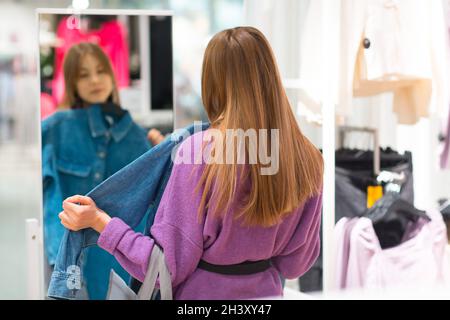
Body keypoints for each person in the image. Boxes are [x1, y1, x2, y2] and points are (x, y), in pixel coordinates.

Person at [58, 27, 323, 300]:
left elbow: (164, 269)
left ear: (213, 82)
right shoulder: (308, 159)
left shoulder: (197, 153)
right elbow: (295, 264)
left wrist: (102, 222)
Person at [42, 42, 161, 299]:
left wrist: (160, 150)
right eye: (84, 75)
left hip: (121, 263)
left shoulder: (138, 137)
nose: (95, 80)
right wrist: (57, 261)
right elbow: (50, 199)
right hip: (70, 260)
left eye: (101, 71)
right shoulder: (54, 130)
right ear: (72, 81)